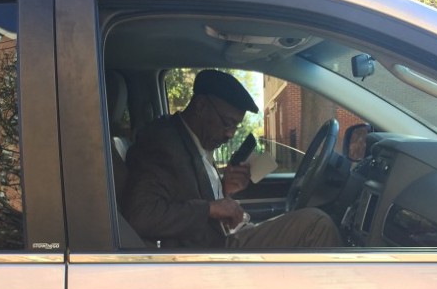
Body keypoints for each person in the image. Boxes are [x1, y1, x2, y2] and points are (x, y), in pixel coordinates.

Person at [121, 69, 341, 249]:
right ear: (201, 106)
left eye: (235, 127)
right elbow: (141, 215)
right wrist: (210, 208)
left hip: (224, 236)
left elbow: (186, 191)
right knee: (316, 224)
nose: (230, 134)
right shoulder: (162, 143)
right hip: (213, 252)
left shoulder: (193, 140)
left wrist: (224, 190)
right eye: (227, 123)